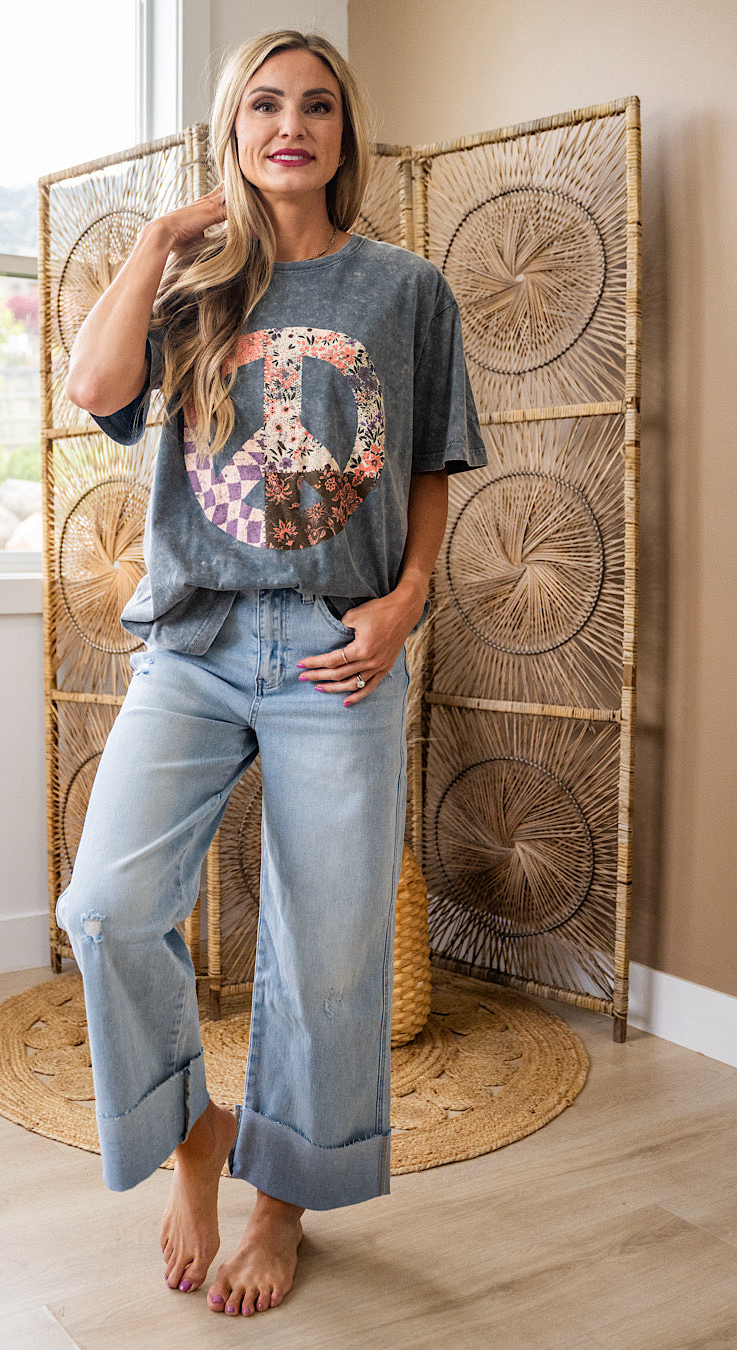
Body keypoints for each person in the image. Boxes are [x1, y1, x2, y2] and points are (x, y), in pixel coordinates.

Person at [57, 28, 486, 1317]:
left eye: (316, 106)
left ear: (346, 134)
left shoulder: (405, 291)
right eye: (263, 105)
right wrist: (156, 241)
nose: (290, 124)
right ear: (231, 131)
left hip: (337, 651)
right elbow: (93, 387)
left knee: (331, 952)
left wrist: (408, 600)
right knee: (107, 908)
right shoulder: (193, 290)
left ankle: (281, 1204)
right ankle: (196, 1135)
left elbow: (429, 463)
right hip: (194, 642)